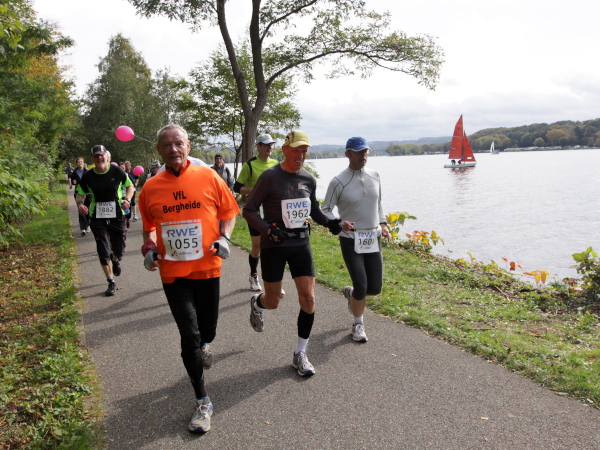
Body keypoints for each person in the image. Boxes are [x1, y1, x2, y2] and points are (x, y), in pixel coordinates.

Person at [138, 124, 239, 434]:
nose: (173, 149)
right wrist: (149, 247)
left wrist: (225, 237)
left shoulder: (209, 176)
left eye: (178, 143)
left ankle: (204, 344)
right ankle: (202, 400)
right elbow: (148, 227)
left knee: (208, 331)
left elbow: (229, 212)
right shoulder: (151, 188)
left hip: (208, 268)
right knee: (189, 335)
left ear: (188, 146)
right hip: (173, 274)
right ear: (159, 150)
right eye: (166, 144)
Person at [242, 130, 347, 377]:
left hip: (300, 244)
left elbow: (315, 210)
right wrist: (269, 229)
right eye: (297, 150)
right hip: (274, 245)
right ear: (285, 150)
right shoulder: (269, 177)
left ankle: (300, 353)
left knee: (308, 299)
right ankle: (258, 303)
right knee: (273, 301)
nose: (301, 155)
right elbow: (249, 210)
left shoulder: (308, 179)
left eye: (304, 151)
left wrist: (331, 223)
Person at [322, 137, 390, 343]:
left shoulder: (375, 175)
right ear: (348, 154)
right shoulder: (338, 181)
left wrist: (383, 223)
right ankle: (358, 324)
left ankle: (352, 294)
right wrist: (338, 222)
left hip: (372, 238)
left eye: (366, 152)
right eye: (359, 152)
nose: (364, 156)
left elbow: (379, 203)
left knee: (374, 288)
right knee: (361, 285)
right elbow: (325, 209)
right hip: (351, 238)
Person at [75, 145, 134, 296]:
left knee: (119, 249)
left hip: (117, 215)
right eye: (96, 156)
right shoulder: (88, 176)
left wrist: (127, 199)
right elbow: (80, 194)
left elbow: (130, 186)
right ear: (92, 159)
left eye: (101, 155)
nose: (99, 158)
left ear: (107, 156)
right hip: (97, 217)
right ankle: (111, 281)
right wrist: (80, 204)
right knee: (103, 249)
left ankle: (115, 259)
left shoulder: (117, 171)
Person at [233, 134, 279, 292]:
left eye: (271, 144)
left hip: (272, 211)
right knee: (257, 247)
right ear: (258, 146)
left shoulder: (276, 164)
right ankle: (253, 276)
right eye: (266, 144)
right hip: (255, 212)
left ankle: (274, 282)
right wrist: (255, 190)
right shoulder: (250, 164)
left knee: (274, 245)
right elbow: (237, 187)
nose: (269, 147)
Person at [70, 157, 91, 236]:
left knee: (87, 209)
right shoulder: (74, 173)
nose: (80, 163)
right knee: (81, 209)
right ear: (76, 164)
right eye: (78, 162)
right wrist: (74, 182)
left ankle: (88, 225)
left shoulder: (87, 172)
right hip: (78, 193)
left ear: (83, 163)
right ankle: (83, 228)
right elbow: (73, 182)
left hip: (87, 193)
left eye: (81, 162)